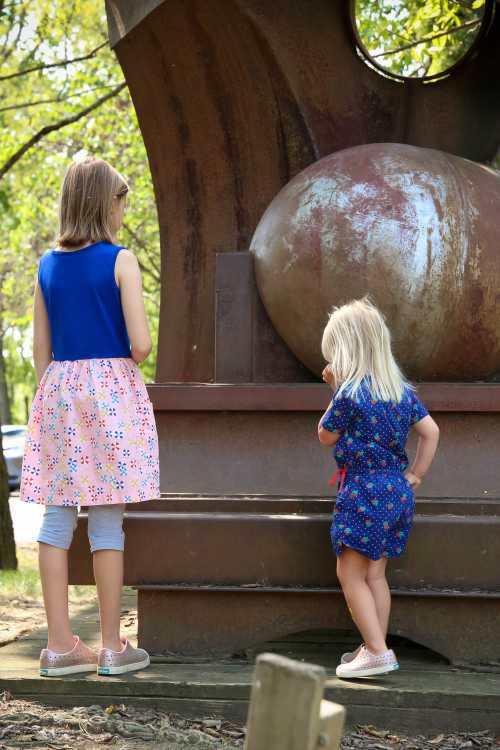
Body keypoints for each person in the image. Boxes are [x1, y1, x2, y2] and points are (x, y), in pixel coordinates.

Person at [20, 156, 160, 677]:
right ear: (106, 203)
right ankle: (110, 647)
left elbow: (41, 349)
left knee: (56, 518)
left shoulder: (46, 266)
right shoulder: (121, 261)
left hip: (58, 392)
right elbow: (142, 345)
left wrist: (58, 390)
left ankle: (59, 646)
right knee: (106, 521)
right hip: (109, 395)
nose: (124, 210)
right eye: (121, 200)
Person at [317, 298, 439, 679]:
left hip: (363, 493)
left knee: (349, 574)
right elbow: (431, 432)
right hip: (396, 493)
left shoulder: (349, 394)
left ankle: (376, 650)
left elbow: (325, 435)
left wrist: (335, 389)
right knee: (375, 576)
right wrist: (416, 473)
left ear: (345, 352)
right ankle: (375, 645)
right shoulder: (401, 393)